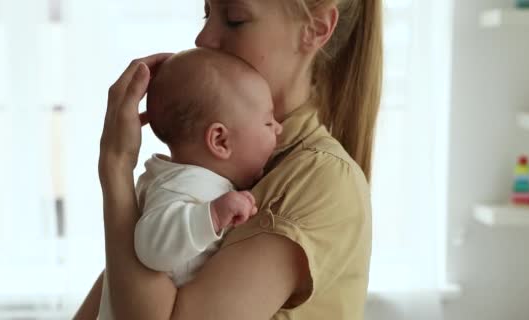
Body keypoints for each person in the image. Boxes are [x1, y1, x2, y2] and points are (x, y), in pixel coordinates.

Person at [75, 0, 382, 319]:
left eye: (234, 19)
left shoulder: (319, 179)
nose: (203, 38)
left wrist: (116, 166)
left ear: (315, 30)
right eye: (207, 13)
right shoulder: (204, 169)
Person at [97, 48, 282, 319]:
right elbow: (150, 248)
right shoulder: (182, 186)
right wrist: (212, 216)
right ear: (220, 140)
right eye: (268, 122)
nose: (279, 128)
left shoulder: (194, 181)